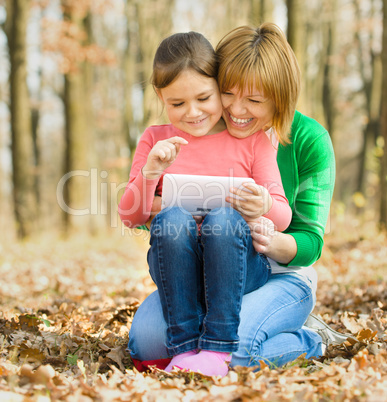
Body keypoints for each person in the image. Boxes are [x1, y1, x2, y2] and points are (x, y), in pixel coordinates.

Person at [125, 22, 339, 374]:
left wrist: (269, 238)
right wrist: (162, 207)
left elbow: (311, 242)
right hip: (206, 276)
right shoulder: (201, 127)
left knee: (233, 350)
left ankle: (309, 340)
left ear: (280, 97)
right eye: (227, 92)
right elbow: (148, 214)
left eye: (254, 100)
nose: (236, 110)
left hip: (278, 274)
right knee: (147, 345)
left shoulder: (309, 139)